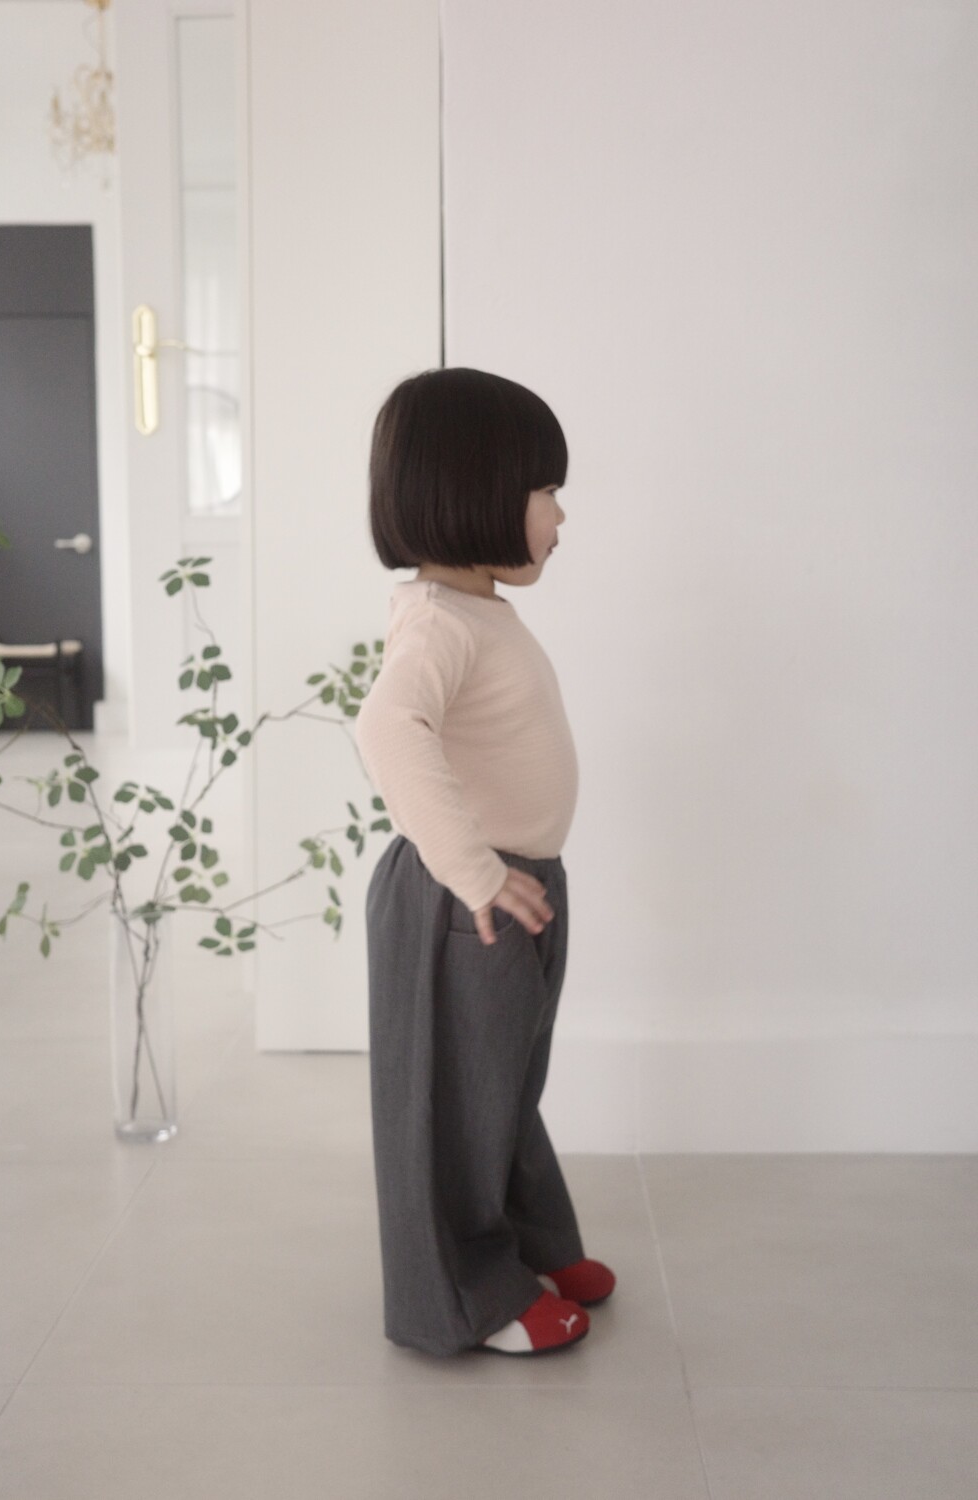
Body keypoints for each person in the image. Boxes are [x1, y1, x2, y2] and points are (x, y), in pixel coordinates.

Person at [354, 366, 615, 1358]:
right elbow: (388, 728)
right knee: (455, 1109)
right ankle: (471, 1298)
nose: (559, 515)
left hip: (516, 890)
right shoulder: (435, 622)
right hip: (466, 900)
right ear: (474, 492)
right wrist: (473, 871)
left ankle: (530, 1246)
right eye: (545, 491)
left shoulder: (477, 613)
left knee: (503, 1089)